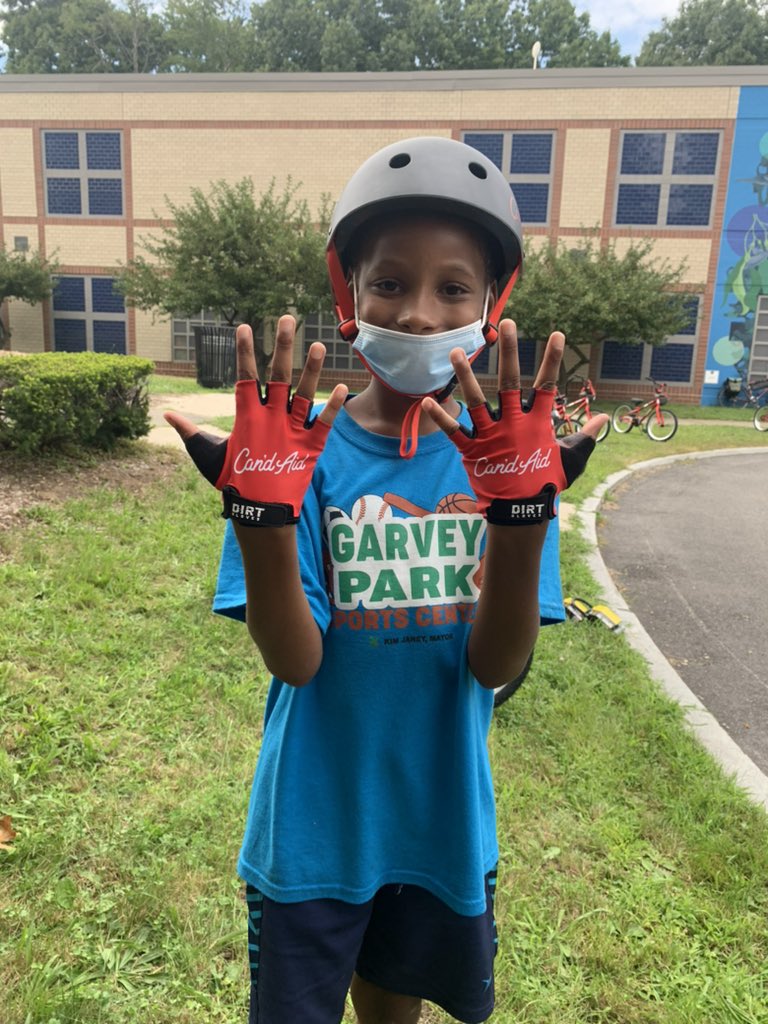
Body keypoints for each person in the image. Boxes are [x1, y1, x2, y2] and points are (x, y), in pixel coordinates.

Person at [166, 136, 606, 1024]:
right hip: (311, 829)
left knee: (394, 1015)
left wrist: (522, 518)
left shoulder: (509, 465)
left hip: (438, 823)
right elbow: (294, 659)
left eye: (452, 288)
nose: (414, 313)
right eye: (389, 283)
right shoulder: (303, 459)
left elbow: (497, 664)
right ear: (349, 295)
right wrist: (263, 516)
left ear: (493, 305)